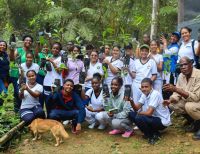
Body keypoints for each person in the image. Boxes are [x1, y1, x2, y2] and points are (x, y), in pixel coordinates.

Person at [163, 56, 200, 140]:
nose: (183, 67)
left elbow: (195, 98)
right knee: (173, 105)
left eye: (185, 64)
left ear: (191, 64)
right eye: (181, 65)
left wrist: (176, 88)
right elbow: (177, 93)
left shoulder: (198, 75)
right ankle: (195, 123)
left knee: (189, 106)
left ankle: (198, 125)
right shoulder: (181, 76)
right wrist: (170, 100)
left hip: (197, 101)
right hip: (191, 101)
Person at [128, 78, 171, 144]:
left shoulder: (155, 94)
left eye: (146, 87)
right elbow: (136, 108)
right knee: (131, 114)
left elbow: (149, 113)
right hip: (152, 118)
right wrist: (131, 101)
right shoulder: (144, 94)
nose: (144, 89)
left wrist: (139, 113)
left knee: (139, 117)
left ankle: (152, 136)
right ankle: (150, 133)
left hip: (162, 121)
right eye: (142, 87)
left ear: (151, 87)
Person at [43, 42, 63, 116]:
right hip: (47, 82)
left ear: (59, 50)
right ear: (51, 49)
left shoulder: (62, 59)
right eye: (54, 48)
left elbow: (59, 71)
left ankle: (56, 118)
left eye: (57, 49)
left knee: (56, 101)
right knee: (47, 101)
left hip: (57, 82)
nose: (55, 50)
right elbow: (46, 70)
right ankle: (49, 117)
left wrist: (52, 62)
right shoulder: (47, 56)